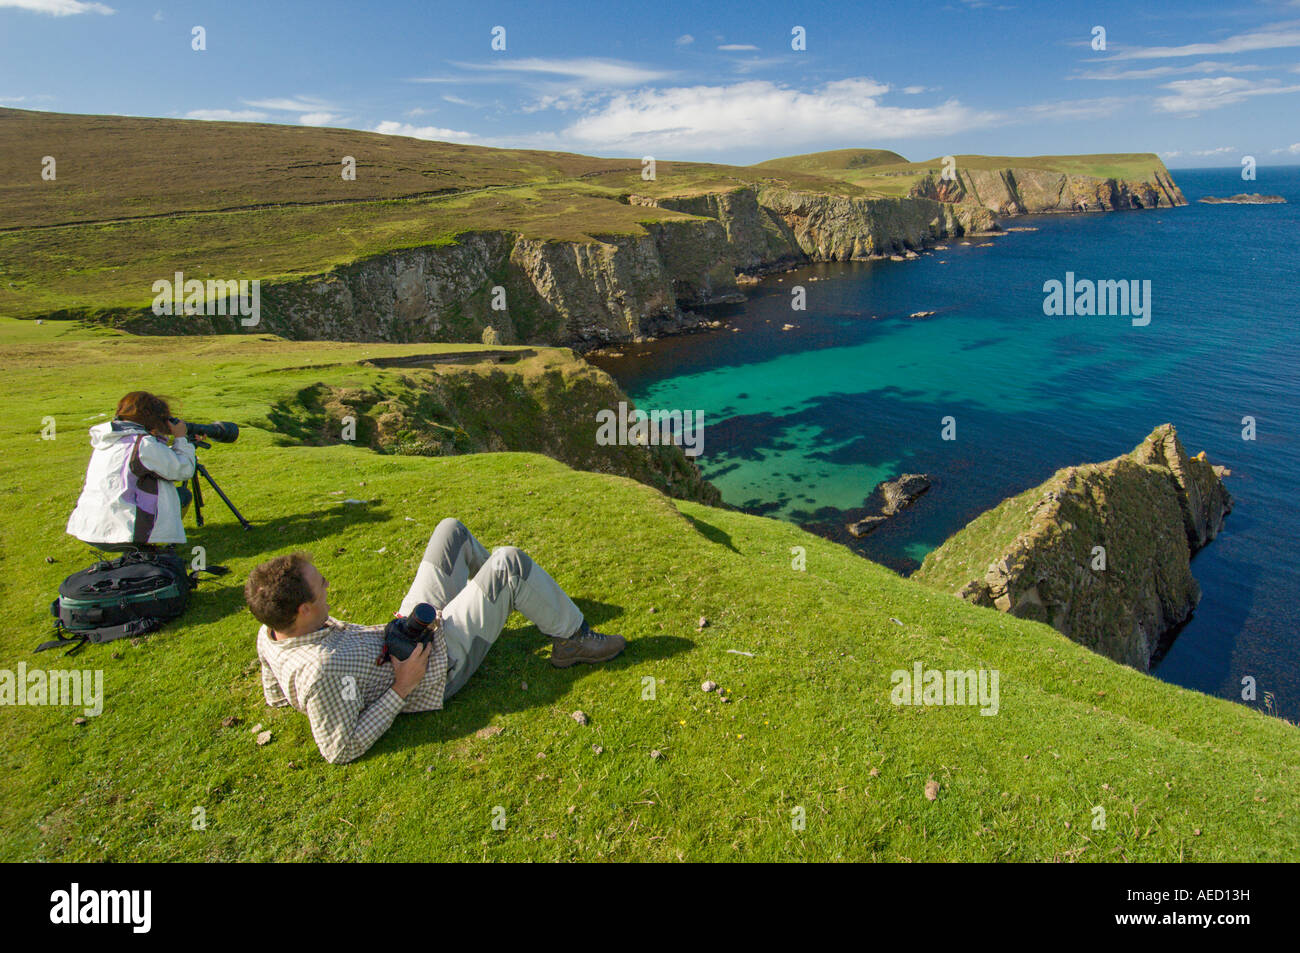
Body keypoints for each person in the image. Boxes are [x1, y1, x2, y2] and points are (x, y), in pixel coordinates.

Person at [245, 518, 626, 765]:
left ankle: (509, 599)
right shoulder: (319, 671)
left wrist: (281, 699)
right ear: (301, 611)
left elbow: (274, 681)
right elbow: (339, 749)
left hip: (403, 632)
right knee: (509, 563)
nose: (328, 585)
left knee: (451, 532)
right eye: (320, 586)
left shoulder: (272, 633)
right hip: (436, 670)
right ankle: (572, 639)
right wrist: (402, 686)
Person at [66, 391, 196, 549]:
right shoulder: (143, 444)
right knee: (182, 495)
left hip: (90, 528)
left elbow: (145, 460)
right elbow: (184, 470)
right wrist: (181, 439)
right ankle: (153, 545)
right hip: (125, 534)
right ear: (153, 417)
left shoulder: (109, 439)